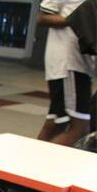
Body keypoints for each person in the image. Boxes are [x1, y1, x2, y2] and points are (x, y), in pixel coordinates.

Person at [36, 0, 94, 146]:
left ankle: (31, 157)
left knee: (56, 124)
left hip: (81, 65)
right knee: (81, 128)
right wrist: (77, 20)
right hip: (69, 64)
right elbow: (43, 17)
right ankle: (40, 159)